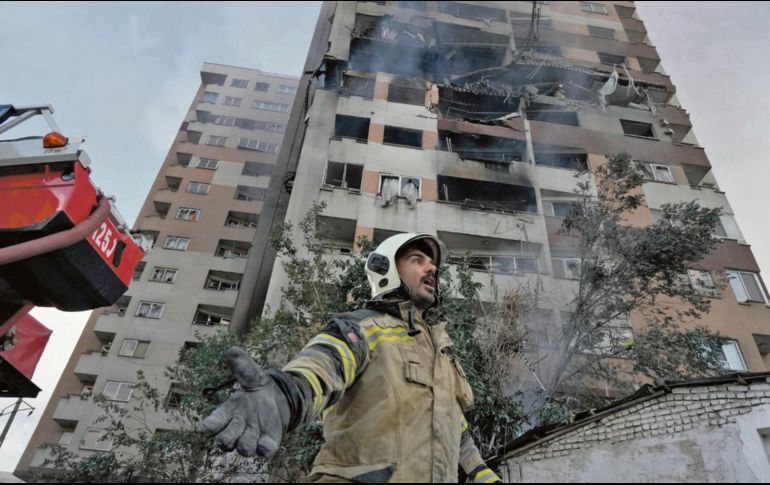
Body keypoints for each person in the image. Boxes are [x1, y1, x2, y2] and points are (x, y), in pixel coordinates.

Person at [199, 233, 501, 483]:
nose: (432, 268)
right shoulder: (363, 327)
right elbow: (323, 365)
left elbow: (456, 432)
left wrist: (485, 476)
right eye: (417, 259)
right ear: (387, 269)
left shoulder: (442, 353)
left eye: (433, 263)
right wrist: (284, 396)